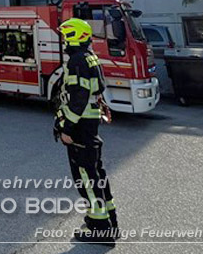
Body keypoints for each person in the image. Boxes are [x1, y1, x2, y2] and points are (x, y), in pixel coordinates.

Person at [54, 18, 117, 246]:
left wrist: (66, 128)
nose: (63, 40)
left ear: (73, 36)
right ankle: (108, 221)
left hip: (80, 126)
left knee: (86, 177)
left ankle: (101, 230)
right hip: (90, 123)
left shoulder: (77, 61)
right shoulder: (90, 58)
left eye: (65, 35)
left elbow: (78, 99)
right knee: (96, 173)